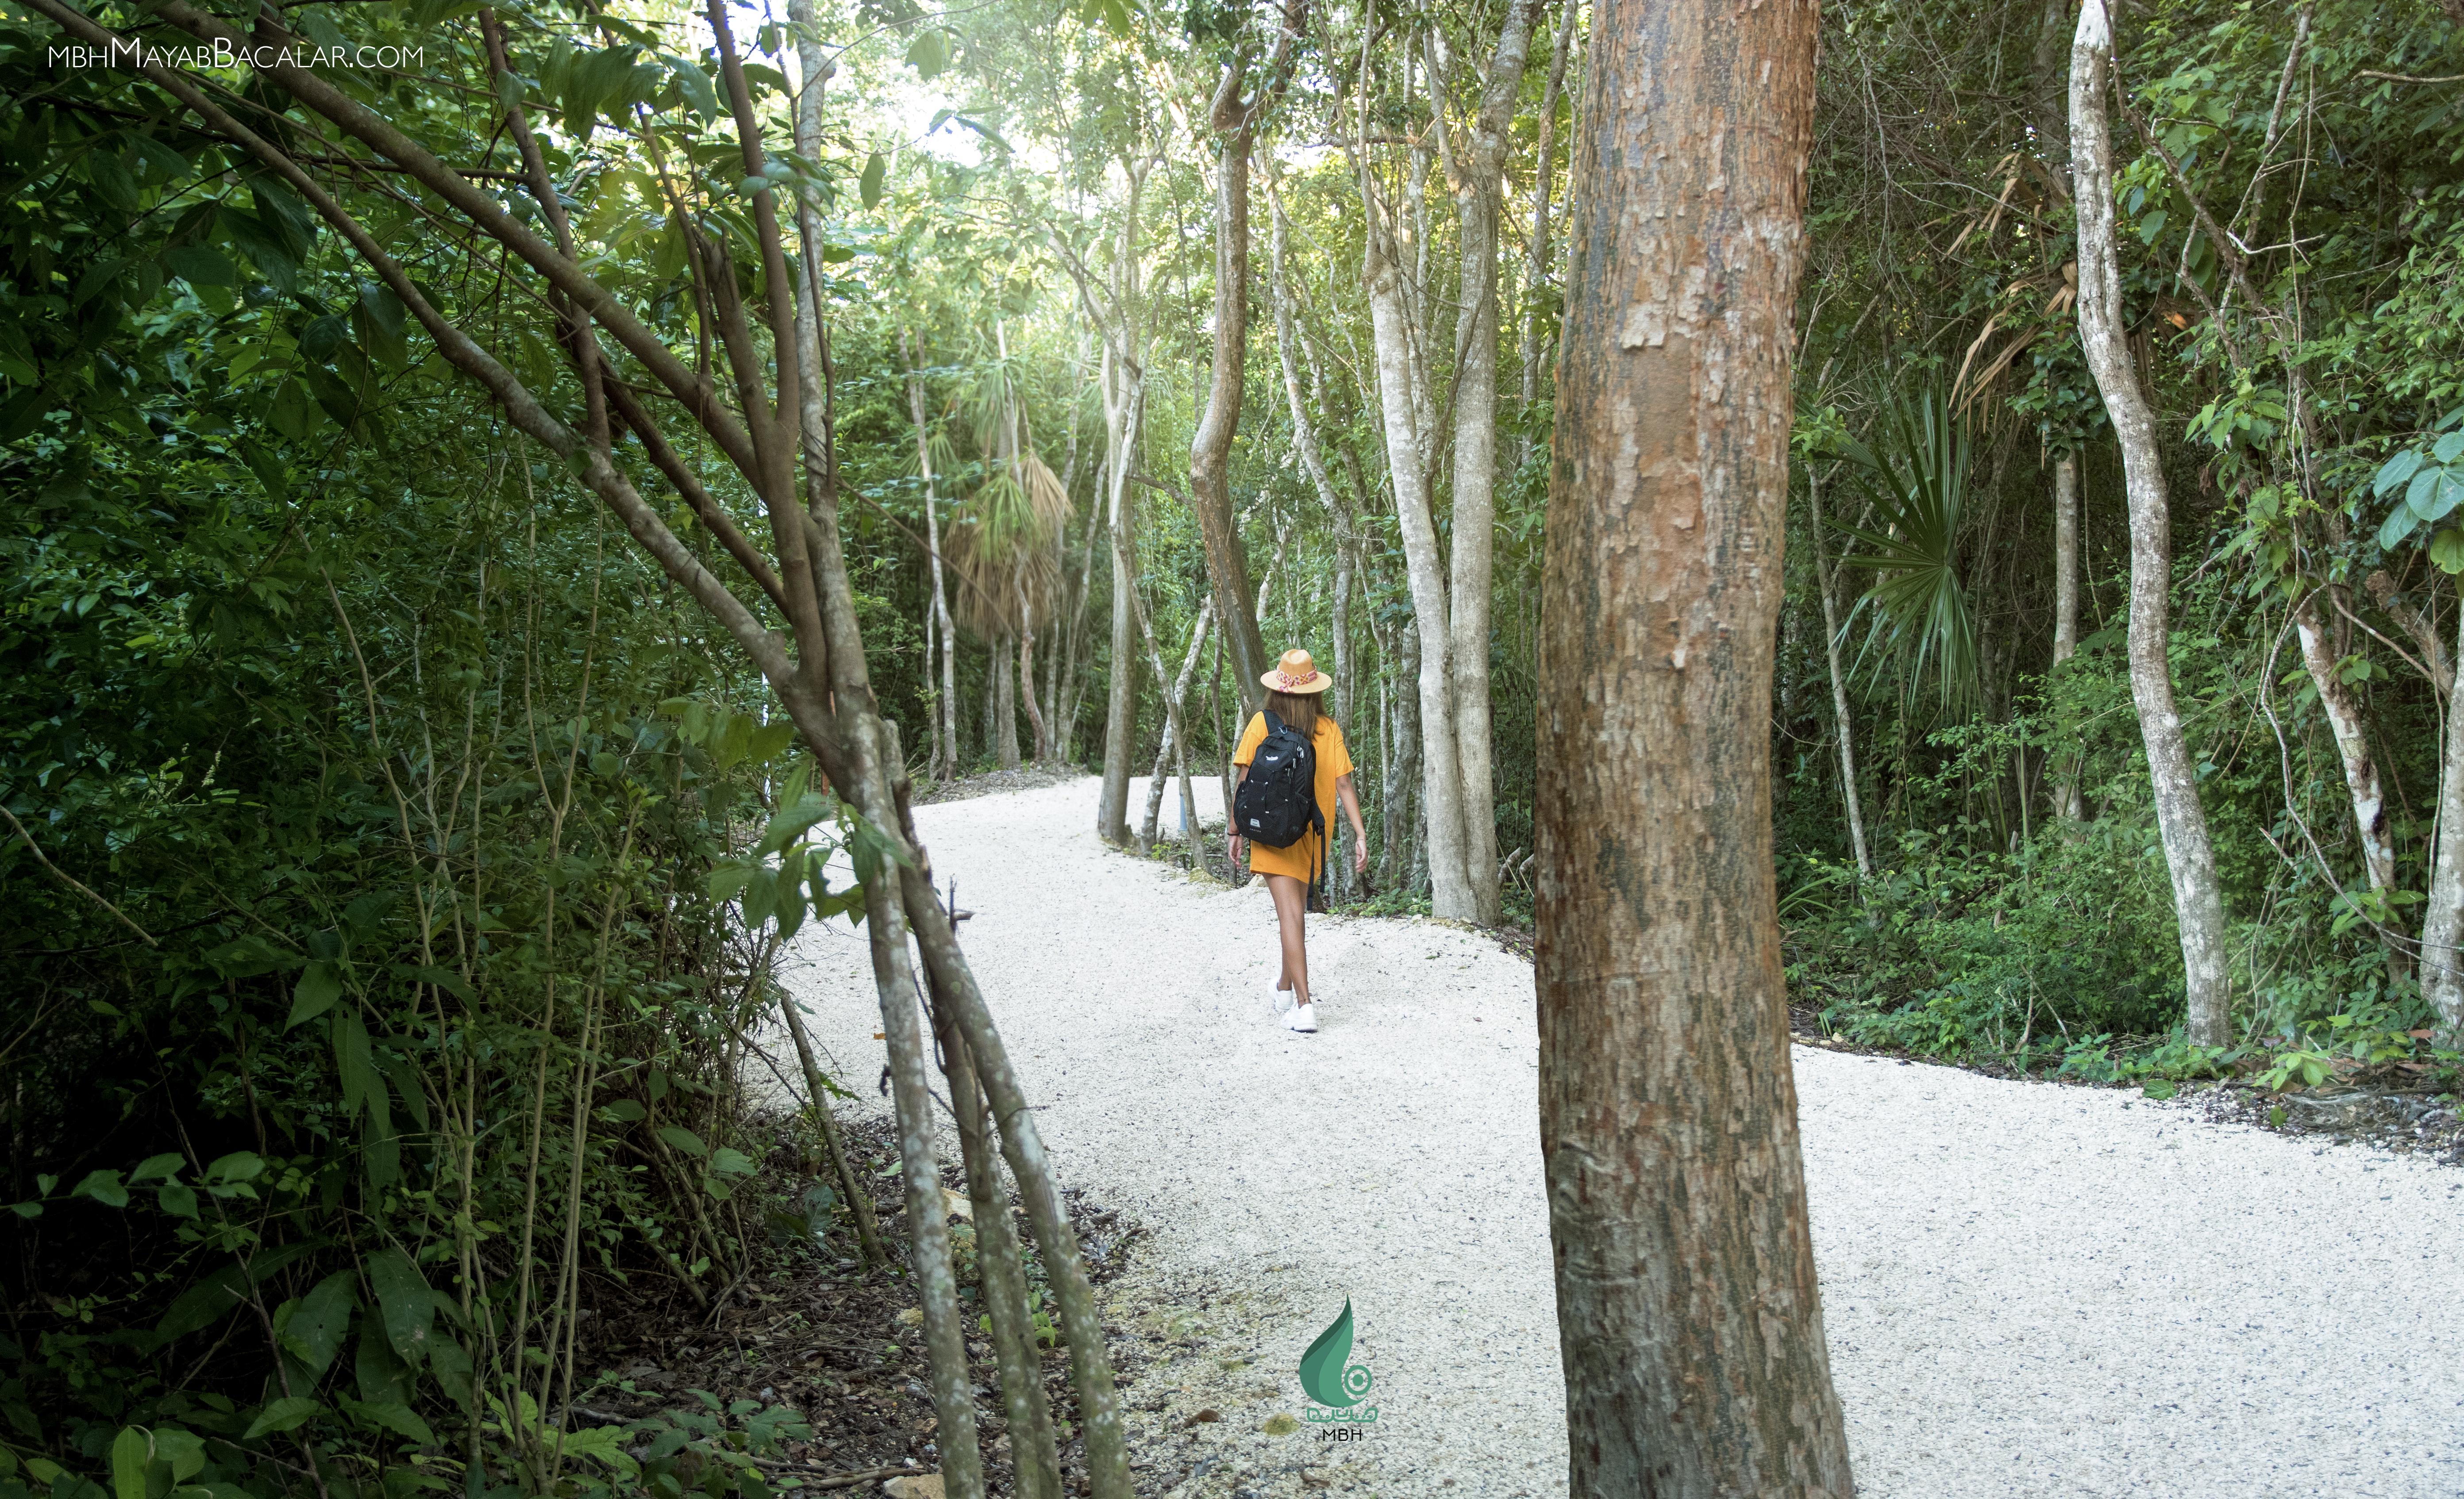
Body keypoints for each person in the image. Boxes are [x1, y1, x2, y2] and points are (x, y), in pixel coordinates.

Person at [1228, 649, 1368, 1033]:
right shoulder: (1328, 728)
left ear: (1278, 688)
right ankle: (1284, 990)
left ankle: (1305, 1007)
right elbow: (1343, 784)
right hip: (1312, 837)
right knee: (1295, 915)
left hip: (1273, 833)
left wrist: (1235, 830)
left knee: (1290, 917)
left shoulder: (1263, 723)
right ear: (1313, 690)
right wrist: (1360, 833)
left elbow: (1244, 782)